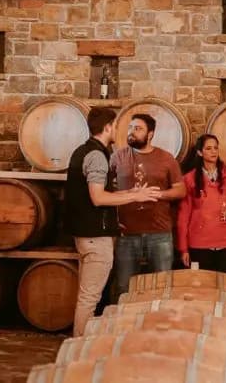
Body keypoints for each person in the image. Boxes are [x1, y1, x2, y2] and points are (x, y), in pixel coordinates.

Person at [64, 106, 160, 336]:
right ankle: (79, 347)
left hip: (87, 234)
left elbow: (96, 196)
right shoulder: (97, 156)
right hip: (96, 238)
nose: (118, 129)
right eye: (116, 125)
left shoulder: (82, 151)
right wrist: (134, 196)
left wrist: (127, 198)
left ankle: (80, 344)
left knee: (87, 296)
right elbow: (98, 198)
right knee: (89, 298)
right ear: (107, 127)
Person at [109, 113, 187, 300]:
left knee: (161, 287)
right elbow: (105, 190)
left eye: (138, 129)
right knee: (123, 286)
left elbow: (181, 190)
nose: (131, 132)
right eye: (130, 128)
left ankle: (156, 325)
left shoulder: (166, 158)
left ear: (150, 134)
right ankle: (122, 326)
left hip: (159, 234)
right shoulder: (117, 157)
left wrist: (158, 194)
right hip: (126, 234)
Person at [177, 133, 226, 273]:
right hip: (200, 243)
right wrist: (183, 248)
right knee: (203, 289)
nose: (213, 151)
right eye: (208, 148)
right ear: (200, 152)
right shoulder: (189, 179)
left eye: (215, 148)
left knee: (225, 287)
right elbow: (183, 217)